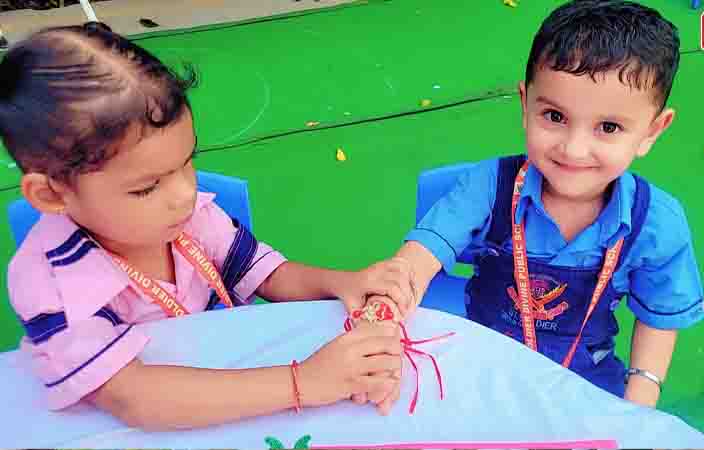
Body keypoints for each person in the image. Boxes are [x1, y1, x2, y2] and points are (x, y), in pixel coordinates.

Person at [0, 23, 415, 429]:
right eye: (147, 188)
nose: (184, 193)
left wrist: (342, 282)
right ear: (52, 195)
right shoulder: (50, 286)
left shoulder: (191, 215)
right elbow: (135, 399)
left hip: (244, 387)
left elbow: (268, 275)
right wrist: (305, 381)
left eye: (187, 162)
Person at [372, 0, 704, 408]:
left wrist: (636, 408)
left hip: (585, 380)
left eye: (608, 127)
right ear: (525, 104)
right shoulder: (486, 187)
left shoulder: (657, 223)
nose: (574, 147)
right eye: (554, 116)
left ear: (652, 131)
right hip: (477, 362)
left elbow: (658, 318)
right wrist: (389, 300)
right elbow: (417, 259)